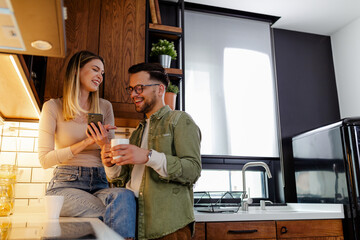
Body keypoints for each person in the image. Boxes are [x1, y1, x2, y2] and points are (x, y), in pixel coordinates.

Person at [38, 50, 136, 239]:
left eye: (102, 73)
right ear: (76, 70)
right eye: (95, 69)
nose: (100, 76)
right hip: (65, 185)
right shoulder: (52, 107)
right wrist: (86, 142)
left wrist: (104, 144)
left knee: (124, 197)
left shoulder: (105, 106)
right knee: (114, 212)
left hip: (100, 181)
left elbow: (111, 164)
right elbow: (45, 160)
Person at [100, 62, 202, 240]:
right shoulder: (137, 132)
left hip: (168, 227)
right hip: (137, 225)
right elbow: (122, 180)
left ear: (160, 89)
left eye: (139, 88)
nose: (133, 94)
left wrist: (148, 156)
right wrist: (110, 165)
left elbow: (192, 170)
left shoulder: (179, 120)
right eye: (131, 89)